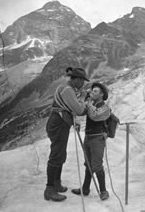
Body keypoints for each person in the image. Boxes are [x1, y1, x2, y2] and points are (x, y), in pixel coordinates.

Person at [44, 68, 89, 202]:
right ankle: (49, 189)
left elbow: (68, 108)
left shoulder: (66, 88)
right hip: (59, 123)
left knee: (61, 154)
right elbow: (80, 109)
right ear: (76, 79)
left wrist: (72, 120)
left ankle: (56, 183)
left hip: (59, 121)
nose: (83, 84)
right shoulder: (68, 90)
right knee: (57, 154)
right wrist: (82, 97)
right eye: (82, 81)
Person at [71, 82, 119, 200]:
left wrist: (87, 102)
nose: (92, 92)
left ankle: (103, 191)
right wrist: (80, 102)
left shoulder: (105, 108)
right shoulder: (91, 104)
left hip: (98, 139)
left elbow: (94, 116)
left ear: (102, 94)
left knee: (96, 165)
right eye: (92, 91)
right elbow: (81, 111)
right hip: (88, 137)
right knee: (88, 163)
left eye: (95, 91)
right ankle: (85, 189)